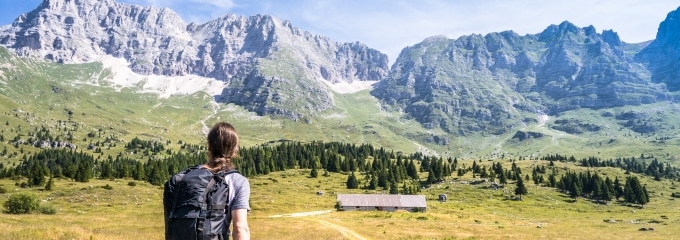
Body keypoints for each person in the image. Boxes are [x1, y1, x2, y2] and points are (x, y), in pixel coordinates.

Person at [204, 122, 251, 240]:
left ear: (209, 146)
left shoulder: (186, 177)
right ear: (235, 149)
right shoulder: (237, 181)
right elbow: (240, 228)